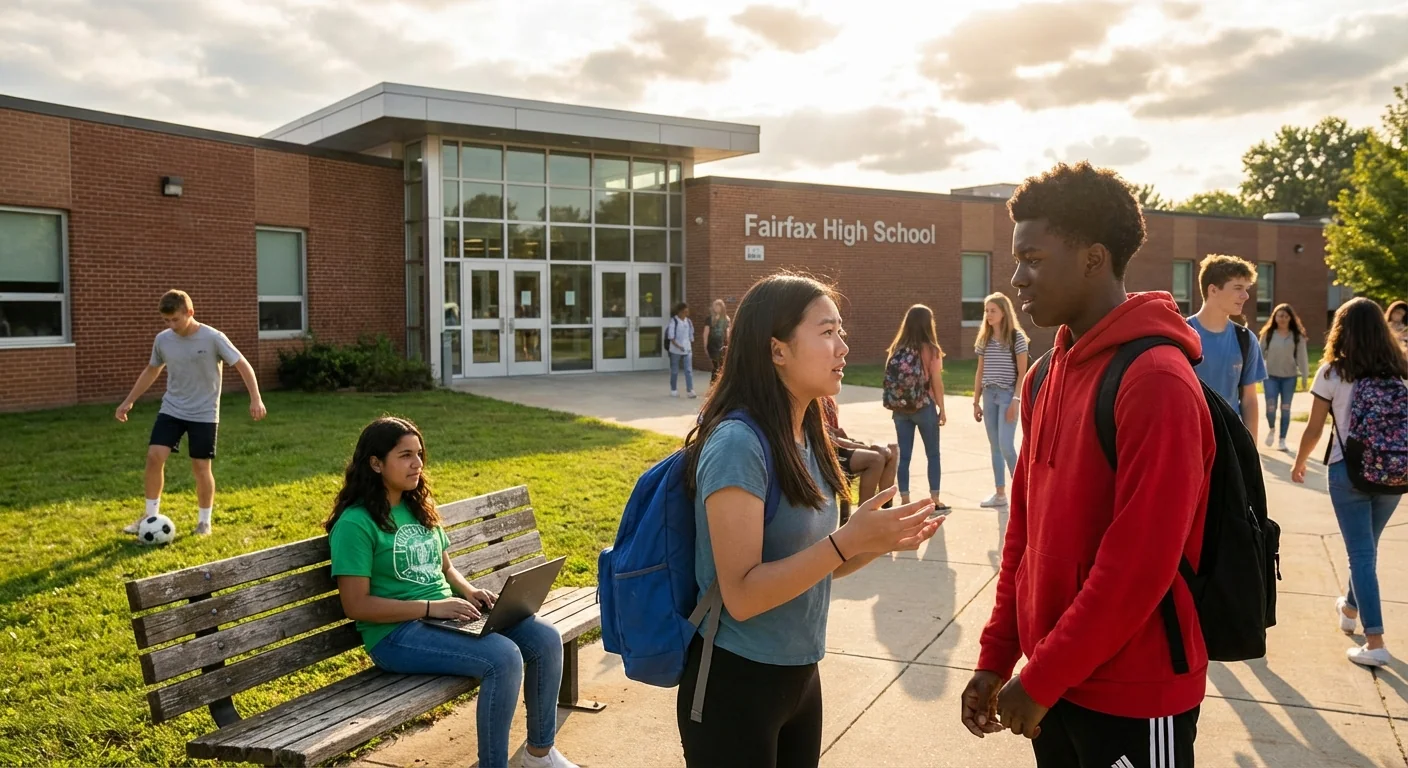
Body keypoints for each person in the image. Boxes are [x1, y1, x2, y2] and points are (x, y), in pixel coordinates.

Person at [962, 162, 1215, 767]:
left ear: (1094, 259)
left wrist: (1042, 675)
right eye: (1016, 260)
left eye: (1034, 258)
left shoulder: (1156, 380)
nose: (1017, 278)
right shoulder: (1046, 373)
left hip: (1134, 691)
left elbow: (1139, 567)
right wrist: (998, 655)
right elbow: (1023, 535)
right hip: (1054, 681)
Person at [678, 274, 941, 767]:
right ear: (778, 350)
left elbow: (819, 567)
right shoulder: (738, 444)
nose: (843, 346)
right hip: (735, 683)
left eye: (840, 332)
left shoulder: (807, 435)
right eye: (827, 332)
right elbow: (743, 594)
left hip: (800, 676)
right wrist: (847, 542)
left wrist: (878, 540)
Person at [327, 417, 578, 768]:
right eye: (405, 456)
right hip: (395, 635)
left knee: (545, 637)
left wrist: (470, 590)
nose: (417, 464)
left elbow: (444, 567)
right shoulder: (356, 523)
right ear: (375, 462)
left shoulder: (415, 505)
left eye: (419, 454)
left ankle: (540, 754)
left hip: (443, 618)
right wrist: (431, 608)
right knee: (503, 658)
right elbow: (356, 605)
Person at [1292, 298, 1408, 668]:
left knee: (1361, 554)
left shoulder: (1331, 373)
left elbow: (1314, 428)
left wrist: (1300, 460)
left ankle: (1374, 641)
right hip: (1394, 472)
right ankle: (1350, 608)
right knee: (1367, 549)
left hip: (1348, 471)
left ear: (1340, 329)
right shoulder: (1402, 370)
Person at [115, 290, 266, 536]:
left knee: (200, 467)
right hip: (172, 408)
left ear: (190, 313)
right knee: (154, 456)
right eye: (166, 321)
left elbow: (242, 364)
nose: (171, 325)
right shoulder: (163, 340)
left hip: (204, 413)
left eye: (175, 319)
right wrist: (129, 401)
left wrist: (256, 398)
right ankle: (150, 516)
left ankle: (204, 521)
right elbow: (152, 370)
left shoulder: (213, 337)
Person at [1187, 254, 1267, 433]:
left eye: (1246, 289)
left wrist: (1251, 453)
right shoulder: (1182, 335)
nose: (1245, 296)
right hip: (1190, 440)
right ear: (1213, 290)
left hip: (1231, 442)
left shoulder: (1246, 339)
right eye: (1238, 288)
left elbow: (1249, 400)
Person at [882, 305, 950, 511]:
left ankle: (905, 499)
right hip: (923, 407)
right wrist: (942, 408)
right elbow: (936, 382)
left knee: (904, 456)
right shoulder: (931, 349)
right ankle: (935, 499)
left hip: (900, 409)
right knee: (933, 454)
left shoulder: (897, 347)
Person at [972, 292, 1030, 508]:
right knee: (994, 446)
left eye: (992, 311)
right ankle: (1000, 494)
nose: (988, 314)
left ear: (1004, 313)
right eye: (986, 311)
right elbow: (980, 371)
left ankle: (1024, 493)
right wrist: (976, 401)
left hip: (1007, 396)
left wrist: (1015, 400)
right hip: (988, 395)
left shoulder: (1017, 338)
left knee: (1006, 445)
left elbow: (1023, 373)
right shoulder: (984, 339)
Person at [820, 394, 898, 524]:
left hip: (839, 445)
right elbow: (829, 439)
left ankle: (886, 511)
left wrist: (845, 437)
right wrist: (864, 447)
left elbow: (835, 433)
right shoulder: (814, 397)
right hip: (827, 453)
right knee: (875, 459)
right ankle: (864, 516)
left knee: (893, 449)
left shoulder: (828, 397)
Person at [1259, 302, 1311, 452]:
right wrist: (1255, 374)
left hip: (1289, 377)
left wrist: (1305, 376)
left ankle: (1282, 439)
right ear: (1274, 317)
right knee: (1270, 408)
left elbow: (1302, 357)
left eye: (1285, 316)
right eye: (1279, 315)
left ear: (1290, 318)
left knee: (1285, 409)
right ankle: (1272, 428)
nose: (1282, 319)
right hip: (1270, 377)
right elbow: (1258, 354)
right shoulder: (1267, 334)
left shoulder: (1297, 337)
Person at [667, 301, 697, 399]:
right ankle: (674, 389)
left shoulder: (688, 321)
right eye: (684, 312)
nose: (686, 314)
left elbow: (691, 335)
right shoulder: (674, 321)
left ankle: (690, 390)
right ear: (679, 312)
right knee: (675, 370)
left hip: (687, 349)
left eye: (687, 312)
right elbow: (671, 337)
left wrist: (689, 344)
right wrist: (679, 346)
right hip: (676, 349)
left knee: (688, 370)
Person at [703, 299, 731, 384]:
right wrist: (705, 346)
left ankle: (720, 384)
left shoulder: (726, 319)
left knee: (722, 366)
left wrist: (729, 343)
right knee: (716, 366)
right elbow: (706, 333)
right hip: (712, 345)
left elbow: (728, 332)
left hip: (722, 345)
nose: (717, 308)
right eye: (715, 306)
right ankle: (713, 384)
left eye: (719, 307)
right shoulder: (709, 319)